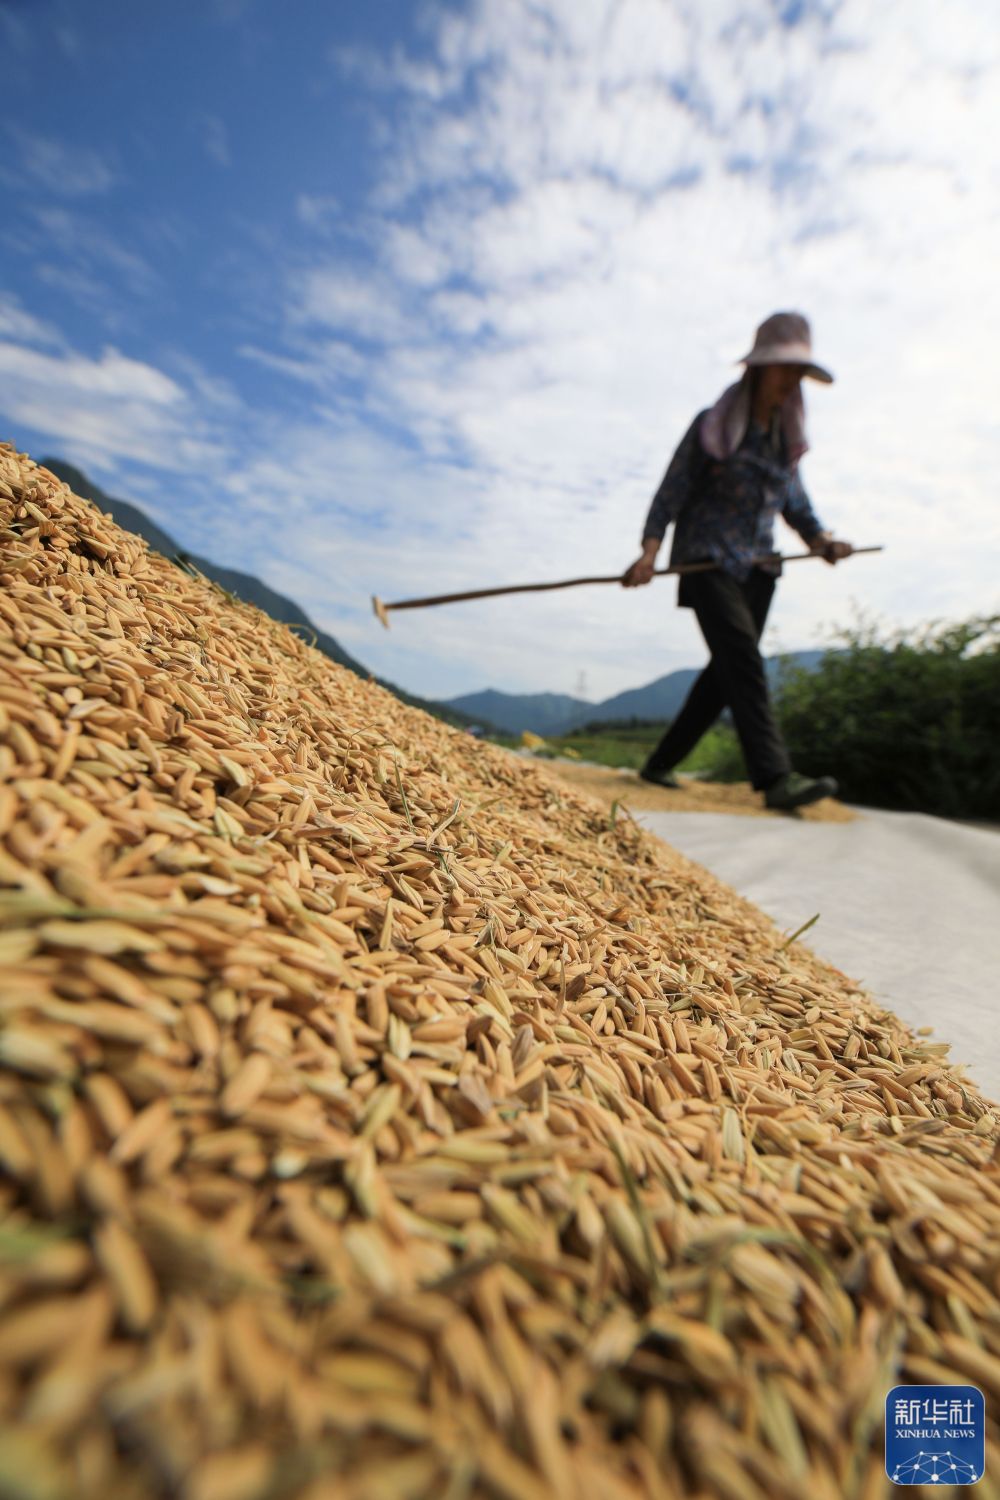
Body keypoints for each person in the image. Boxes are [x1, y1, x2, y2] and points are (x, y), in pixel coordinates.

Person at [622, 311, 853, 812]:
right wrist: (649, 552)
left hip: (760, 568)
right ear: (759, 368)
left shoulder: (783, 442)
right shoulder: (714, 425)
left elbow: (797, 505)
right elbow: (672, 489)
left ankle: (660, 763)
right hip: (707, 561)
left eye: (799, 371)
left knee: (725, 672)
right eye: (785, 368)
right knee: (743, 660)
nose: (792, 379)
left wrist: (823, 542)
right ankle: (775, 779)